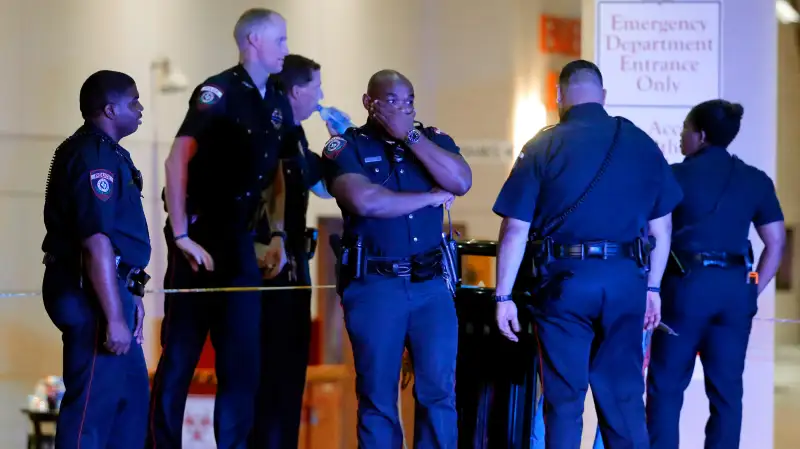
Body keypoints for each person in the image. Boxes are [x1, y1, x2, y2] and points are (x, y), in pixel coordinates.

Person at [492, 59, 683, 449]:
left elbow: (515, 229)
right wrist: (652, 289)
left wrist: (503, 296)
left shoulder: (542, 145)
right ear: (604, 96)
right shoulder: (640, 142)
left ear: (559, 96)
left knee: (564, 401)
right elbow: (661, 229)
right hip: (626, 281)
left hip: (564, 283)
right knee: (624, 399)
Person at [147, 8, 293, 449]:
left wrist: (280, 235)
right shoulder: (218, 91)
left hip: (242, 244)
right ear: (253, 42)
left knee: (241, 363)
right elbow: (177, 160)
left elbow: (278, 177)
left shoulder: (278, 100)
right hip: (200, 240)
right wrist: (181, 237)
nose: (287, 49)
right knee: (181, 357)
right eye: (280, 40)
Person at [321, 69, 472, 448]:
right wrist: (429, 198)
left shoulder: (432, 140)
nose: (402, 108)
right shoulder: (345, 147)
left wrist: (412, 135)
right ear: (369, 103)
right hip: (375, 286)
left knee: (439, 392)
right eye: (392, 100)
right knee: (377, 397)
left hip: (430, 287)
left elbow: (462, 181)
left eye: (409, 100)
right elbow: (364, 200)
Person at [645, 100, 785, 449]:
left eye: (685, 131)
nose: (680, 137)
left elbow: (652, 233)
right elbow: (776, 243)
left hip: (685, 289)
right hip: (735, 291)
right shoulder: (756, 179)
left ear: (701, 135)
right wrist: (753, 289)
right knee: (726, 394)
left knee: (665, 388)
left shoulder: (674, 176)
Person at [41, 70, 150, 449]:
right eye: (133, 101)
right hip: (90, 292)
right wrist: (114, 316)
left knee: (130, 404)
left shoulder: (110, 152)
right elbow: (96, 242)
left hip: (111, 289)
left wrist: (130, 295)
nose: (140, 108)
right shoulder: (94, 155)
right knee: (91, 410)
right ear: (109, 109)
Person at [249, 54, 338, 449]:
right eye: (317, 88)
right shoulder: (268, 129)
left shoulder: (296, 135)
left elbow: (322, 180)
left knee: (288, 379)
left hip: (295, 270)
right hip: (268, 270)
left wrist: (342, 140)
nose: (320, 96)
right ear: (298, 90)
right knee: (269, 379)